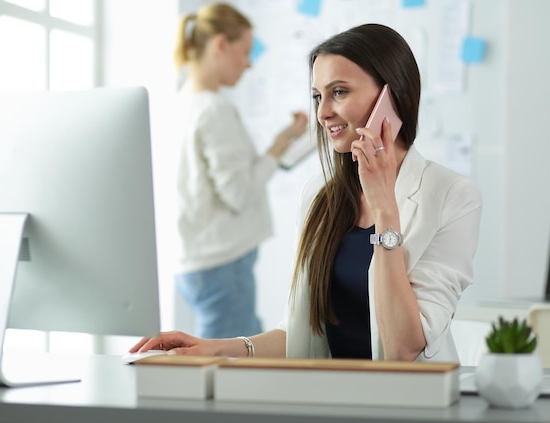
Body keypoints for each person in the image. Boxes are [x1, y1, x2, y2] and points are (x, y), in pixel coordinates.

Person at [133, 23, 482, 362]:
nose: (322, 112)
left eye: (339, 92)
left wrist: (385, 210)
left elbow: (404, 349)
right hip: (327, 399)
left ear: (392, 96)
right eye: (318, 96)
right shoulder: (319, 194)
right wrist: (215, 347)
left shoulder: (453, 195)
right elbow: (303, 336)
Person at [171, 3, 309, 339]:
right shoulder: (214, 110)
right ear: (220, 45)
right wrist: (278, 147)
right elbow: (239, 194)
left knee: (249, 350)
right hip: (223, 266)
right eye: (245, 52)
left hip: (199, 264)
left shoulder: (183, 102)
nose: (248, 64)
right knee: (233, 372)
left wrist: (281, 141)